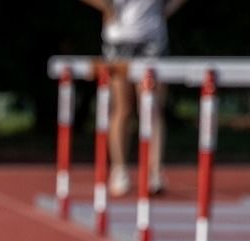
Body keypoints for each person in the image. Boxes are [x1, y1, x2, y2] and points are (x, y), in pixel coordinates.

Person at [80, 0, 189, 196]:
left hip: (152, 40)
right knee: (123, 108)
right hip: (119, 40)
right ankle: (119, 170)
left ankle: (154, 171)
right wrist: (105, 7)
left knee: (152, 109)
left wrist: (167, 10)